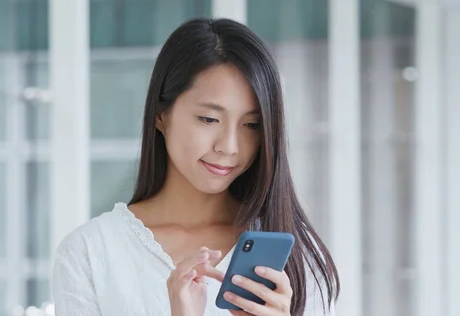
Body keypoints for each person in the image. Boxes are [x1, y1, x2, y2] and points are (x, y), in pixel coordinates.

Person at [52, 17, 339, 316]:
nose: (229, 146)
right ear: (161, 115)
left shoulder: (298, 257)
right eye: (209, 119)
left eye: (251, 124)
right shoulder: (90, 253)